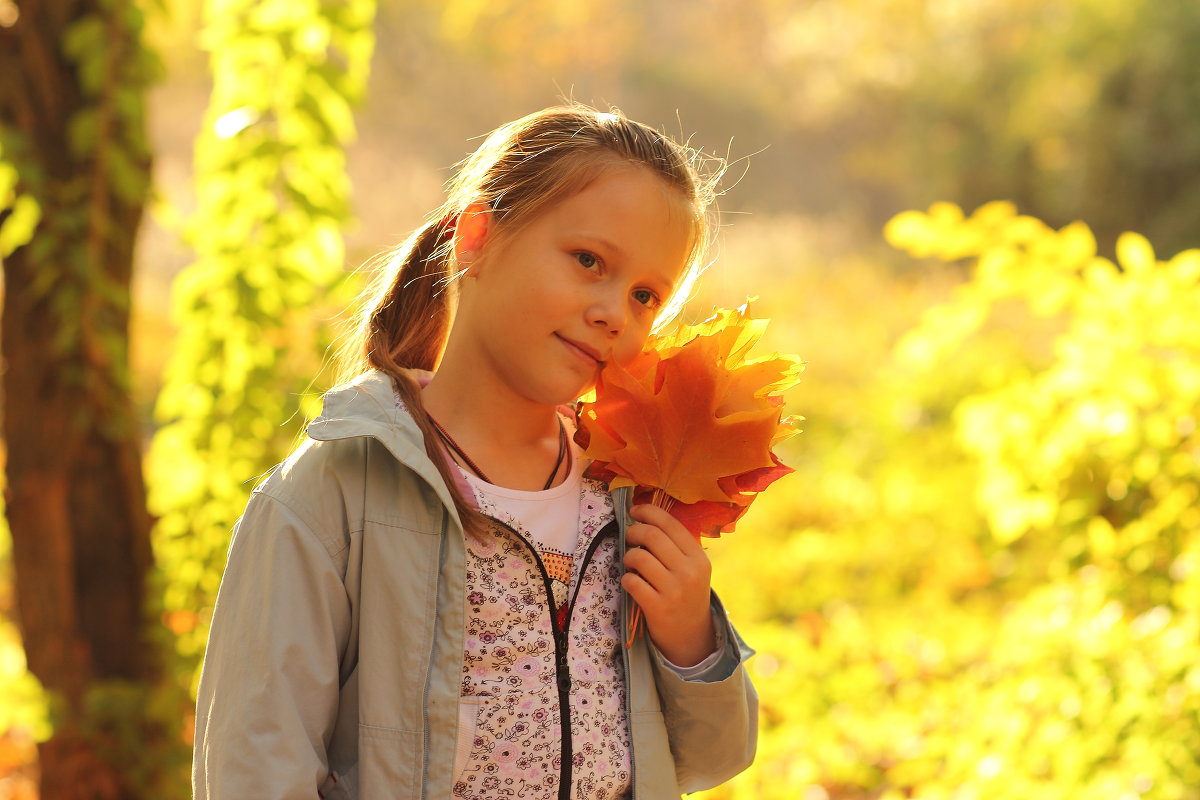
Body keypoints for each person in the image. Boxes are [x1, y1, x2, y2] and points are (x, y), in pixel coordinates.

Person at [192, 104, 757, 800]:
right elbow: (256, 768)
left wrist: (691, 642)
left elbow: (715, 757)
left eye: (646, 295)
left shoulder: (626, 489)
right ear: (478, 237)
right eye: (589, 261)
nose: (615, 310)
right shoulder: (331, 496)